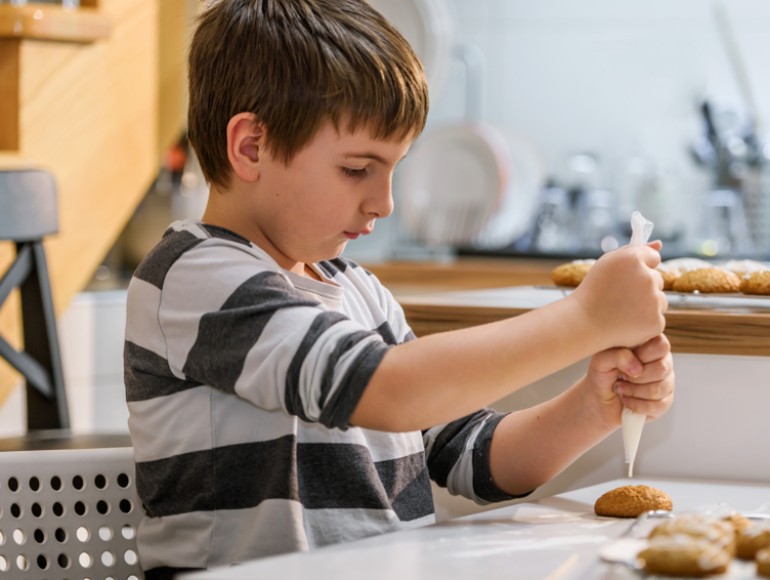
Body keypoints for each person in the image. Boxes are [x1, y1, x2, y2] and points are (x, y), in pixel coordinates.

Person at [123, 1, 674, 577]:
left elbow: (468, 455)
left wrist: (592, 407)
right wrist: (586, 318)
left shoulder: (358, 290)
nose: (385, 203)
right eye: (356, 169)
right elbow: (387, 389)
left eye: (394, 169)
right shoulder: (193, 276)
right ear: (251, 147)